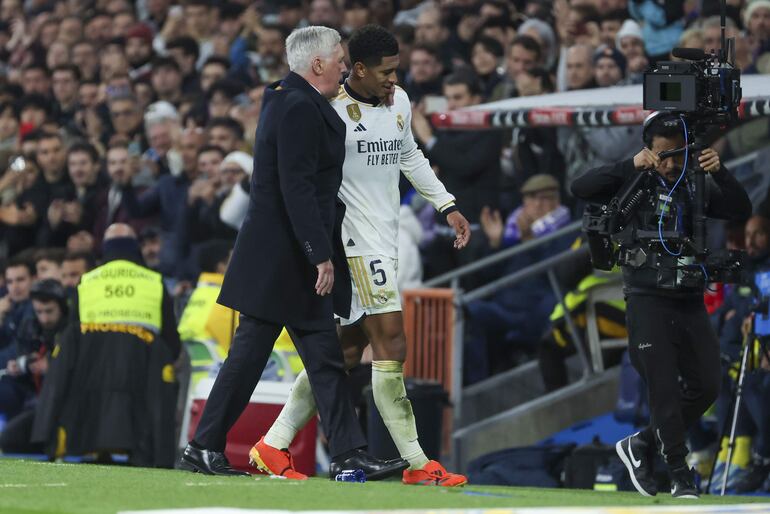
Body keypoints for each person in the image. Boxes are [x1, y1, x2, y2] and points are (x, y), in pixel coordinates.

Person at [180, 26, 406, 481]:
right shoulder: (300, 106)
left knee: (321, 360)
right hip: (287, 261)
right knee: (259, 358)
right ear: (317, 64)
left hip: (285, 259)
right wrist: (319, 254)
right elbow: (297, 187)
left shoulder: (290, 98)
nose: (345, 66)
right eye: (339, 59)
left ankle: (346, 454)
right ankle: (205, 446)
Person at [254, 25, 470, 486]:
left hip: (385, 236)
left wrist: (446, 204)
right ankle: (416, 463)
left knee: (346, 351)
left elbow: (408, 155)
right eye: (386, 72)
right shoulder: (326, 108)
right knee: (392, 342)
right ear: (357, 69)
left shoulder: (400, 102)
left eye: (397, 70)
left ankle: (272, 443)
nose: (394, 79)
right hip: (352, 240)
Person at [571, 112, 752, 498]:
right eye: (664, 155)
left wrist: (720, 172)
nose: (671, 163)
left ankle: (641, 444)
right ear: (648, 150)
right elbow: (580, 187)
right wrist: (630, 164)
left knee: (707, 385)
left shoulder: (694, 184)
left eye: (678, 154)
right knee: (664, 385)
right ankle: (678, 474)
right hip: (646, 296)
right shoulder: (631, 177)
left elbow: (740, 210)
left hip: (688, 296)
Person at [30, 223, 181, 467]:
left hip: (90, 375)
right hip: (141, 375)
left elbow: (72, 337)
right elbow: (171, 342)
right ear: (135, 248)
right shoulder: (154, 282)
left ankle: (74, 444)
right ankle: (148, 456)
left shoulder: (87, 281)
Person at [0, 279, 67, 454]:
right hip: (39, 404)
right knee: (8, 440)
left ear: (61, 307)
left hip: (69, 405)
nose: (44, 318)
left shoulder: (73, 330)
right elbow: (26, 360)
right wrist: (20, 367)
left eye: (49, 311)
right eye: (39, 311)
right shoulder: (31, 327)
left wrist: (52, 367)